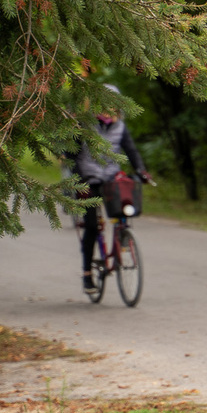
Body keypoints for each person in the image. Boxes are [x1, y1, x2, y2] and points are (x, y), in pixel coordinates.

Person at [68, 85, 149, 290]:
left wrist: (141, 170)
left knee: (124, 209)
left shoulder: (120, 127)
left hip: (111, 178)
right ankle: (87, 273)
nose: (108, 110)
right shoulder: (83, 124)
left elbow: (131, 151)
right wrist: (78, 181)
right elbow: (72, 155)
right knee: (92, 226)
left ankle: (123, 238)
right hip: (87, 179)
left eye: (113, 106)